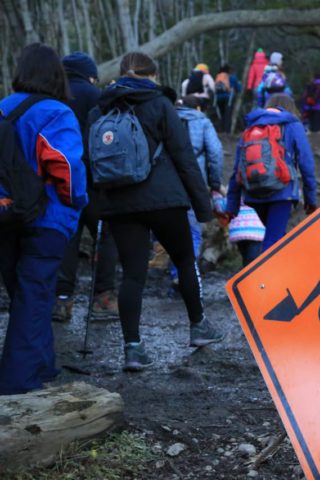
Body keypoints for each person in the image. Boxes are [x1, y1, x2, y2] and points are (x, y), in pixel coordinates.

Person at [89, 52, 223, 372]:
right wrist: (204, 208)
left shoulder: (100, 108)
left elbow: (91, 162)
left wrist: (98, 207)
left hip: (120, 204)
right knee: (184, 261)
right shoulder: (161, 103)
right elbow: (184, 158)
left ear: (121, 73)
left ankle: (133, 348)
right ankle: (198, 327)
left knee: (133, 275)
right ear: (152, 75)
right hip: (165, 200)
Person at [0, 43, 88, 394]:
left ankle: (42, 367)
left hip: (6, 216)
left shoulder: (3, 108)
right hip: (46, 218)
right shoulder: (56, 112)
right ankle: (17, 384)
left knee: (25, 295)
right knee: (35, 297)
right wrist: (76, 202)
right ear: (56, 75)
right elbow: (65, 166)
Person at [53, 52, 119, 323]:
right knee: (106, 236)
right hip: (95, 181)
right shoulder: (99, 96)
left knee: (68, 238)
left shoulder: (53, 97)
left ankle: (61, 300)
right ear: (90, 74)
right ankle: (103, 298)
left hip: (60, 180)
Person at [226, 94, 317, 261]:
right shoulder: (292, 125)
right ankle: (261, 283)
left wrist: (232, 205)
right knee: (273, 243)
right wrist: (311, 198)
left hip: (253, 193)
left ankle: (284, 279)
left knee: (278, 237)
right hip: (282, 192)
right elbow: (306, 162)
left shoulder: (251, 127)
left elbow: (237, 167)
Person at [172, 95, 224, 286]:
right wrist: (215, 182)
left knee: (173, 229)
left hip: (168, 181)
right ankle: (187, 274)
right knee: (192, 229)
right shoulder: (202, 121)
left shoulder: (167, 117)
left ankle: (176, 272)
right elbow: (215, 152)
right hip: (195, 180)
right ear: (198, 108)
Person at [214, 64, 241, 134]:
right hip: (228, 98)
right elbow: (238, 88)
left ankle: (221, 130)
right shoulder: (232, 77)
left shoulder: (218, 77)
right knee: (228, 115)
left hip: (218, 98)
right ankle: (227, 132)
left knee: (221, 115)